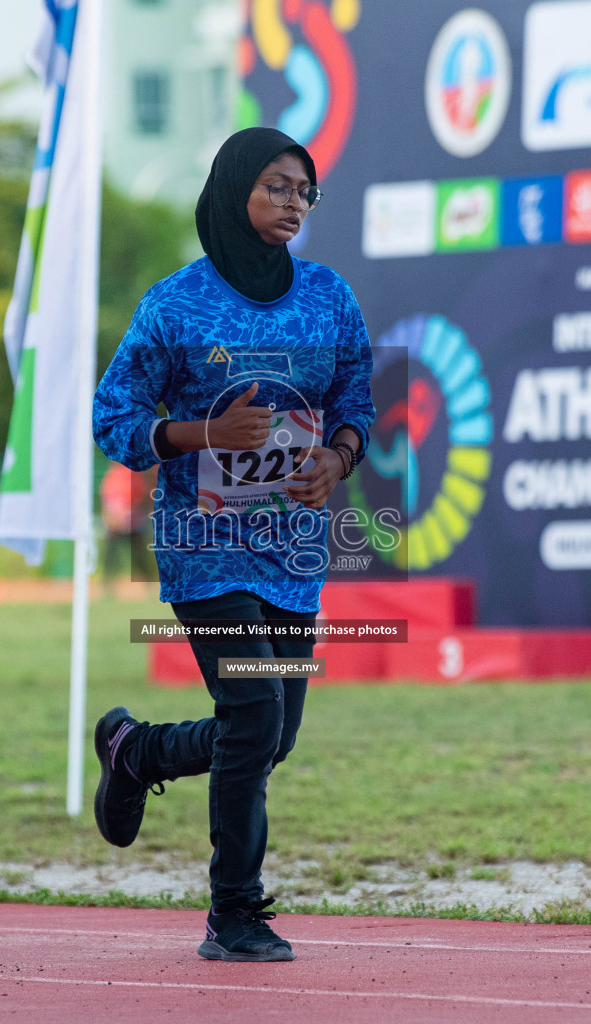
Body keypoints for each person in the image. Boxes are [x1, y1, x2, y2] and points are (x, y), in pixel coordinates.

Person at [91, 127, 373, 963]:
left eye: (305, 192)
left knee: (270, 736)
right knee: (251, 715)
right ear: (233, 189)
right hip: (202, 543)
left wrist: (338, 458)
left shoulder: (328, 296)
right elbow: (113, 417)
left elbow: (357, 395)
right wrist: (199, 432)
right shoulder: (174, 304)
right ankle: (236, 913)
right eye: (278, 187)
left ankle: (136, 750)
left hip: (292, 550)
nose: (294, 205)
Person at [99, 462, 156, 593]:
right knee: (112, 556)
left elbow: (138, 497)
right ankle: (107, 584)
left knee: (139, 556)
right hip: (116, 523)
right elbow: (107, 499)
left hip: (131, 522)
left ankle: (148, 582)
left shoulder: (130, 474)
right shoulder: (114, 475)